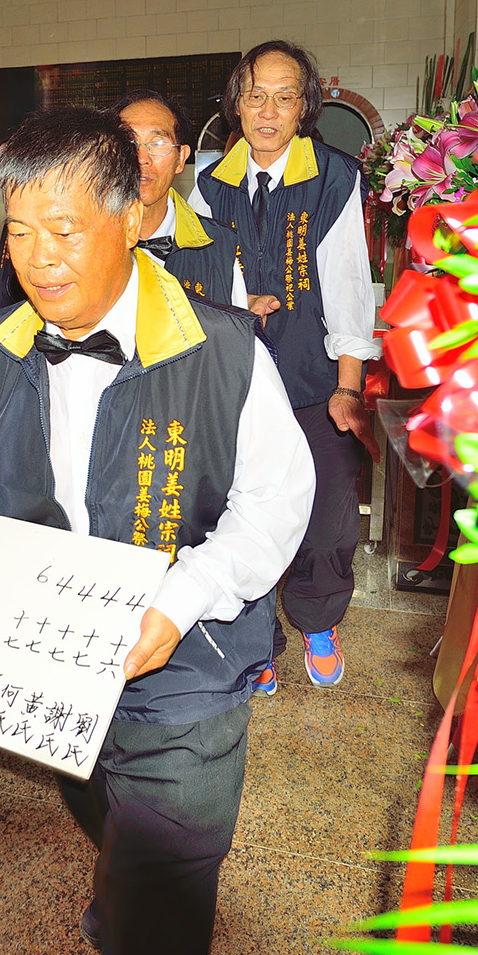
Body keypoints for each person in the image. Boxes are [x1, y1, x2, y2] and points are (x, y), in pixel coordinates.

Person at [0, 108, 312, 955]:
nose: (39, 258)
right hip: (54, 658)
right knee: (94, 797)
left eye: (64, 230)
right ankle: (126, 876)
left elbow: (276, 504)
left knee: (158, 926)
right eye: (20, 232)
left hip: (188, 672)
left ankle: (144, 903)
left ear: (131, 218)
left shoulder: (225, 352)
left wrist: (184, 595)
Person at [191, 40, 380, 690]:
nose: (268, 111)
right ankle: (256, 643)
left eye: (284, 96)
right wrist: (235, 302)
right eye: (256, 95)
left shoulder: (334, 178)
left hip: (314, 380)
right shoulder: (210, 186)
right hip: (239, 381)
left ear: (305, 107)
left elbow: (349, 283)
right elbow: (197, 276)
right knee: (240, 513)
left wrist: (348, 386)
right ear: (237, 104)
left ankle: (319, 620)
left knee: (326, 517)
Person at [111, 89, 278, 319]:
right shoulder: (81, 242)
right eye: (128, 142)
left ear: (181, 159)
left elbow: (230, 330)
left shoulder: (219, 246)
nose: (142, 158)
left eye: (158, 143)